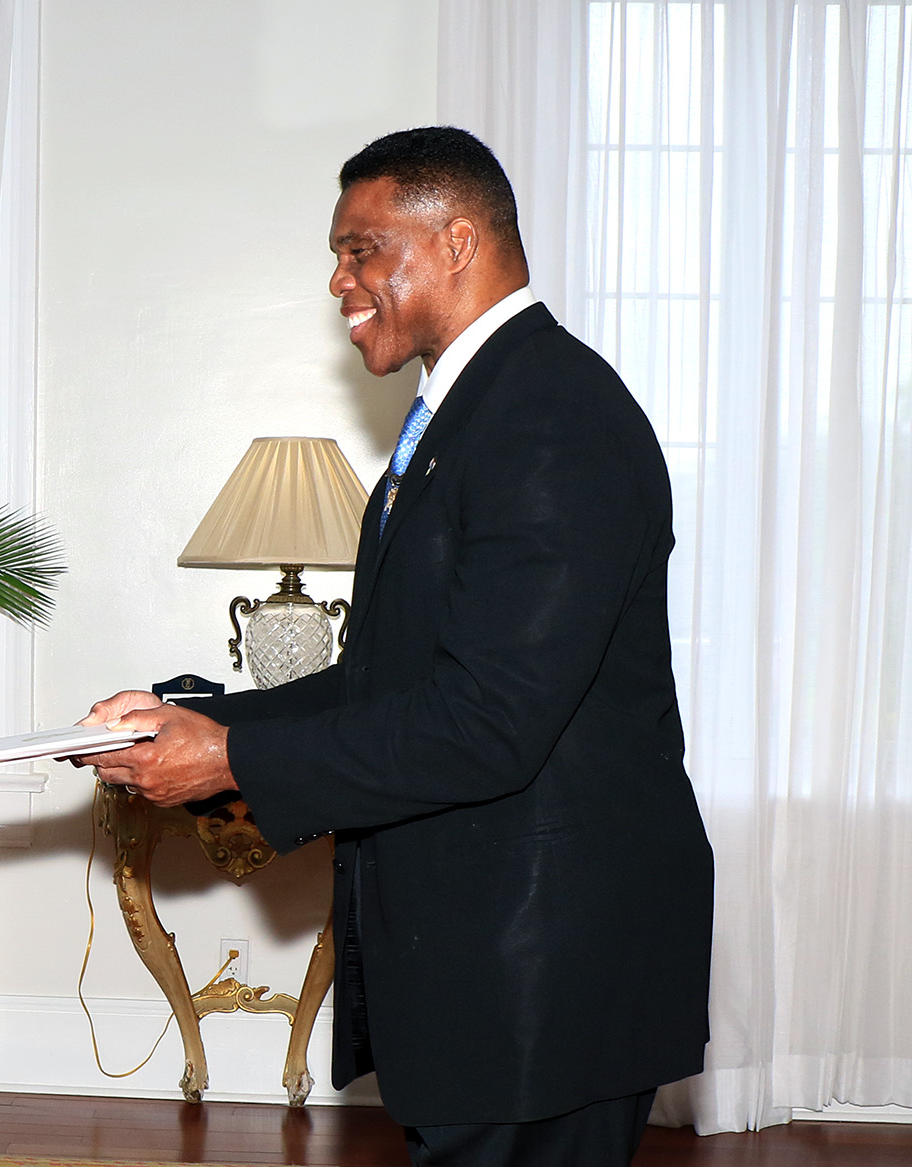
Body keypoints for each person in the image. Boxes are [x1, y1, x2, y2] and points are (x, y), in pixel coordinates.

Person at [80, 127, 715, 1166]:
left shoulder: (550, 417)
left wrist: (230, 759)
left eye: (361, 248)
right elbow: (387, 680)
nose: (339, 281)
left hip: (542, 964)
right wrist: (196, 722)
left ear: (456, 242)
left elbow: (487, 725)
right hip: (489, 955)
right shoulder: (469, 411)